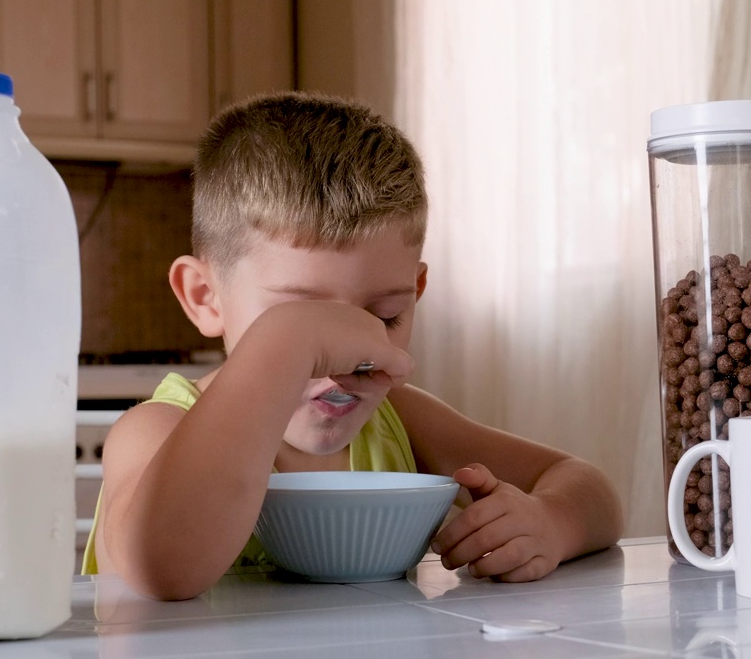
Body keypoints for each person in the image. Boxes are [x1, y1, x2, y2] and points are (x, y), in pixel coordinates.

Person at [85, 92, 623, 600]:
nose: (351, 360)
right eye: (301, 324)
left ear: (415, 294)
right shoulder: (155, 431)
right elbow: (165, 568)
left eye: (385, 317)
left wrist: (548, 522)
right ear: (205, 298)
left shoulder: (399, 422)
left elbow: (589, 488)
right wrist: (286, 348)